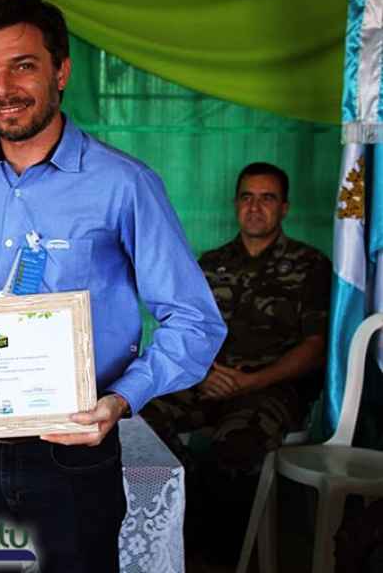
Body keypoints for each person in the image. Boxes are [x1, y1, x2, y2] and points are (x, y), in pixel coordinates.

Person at [0, 0, 226, 573]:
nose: (3, 88)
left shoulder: (124, 184)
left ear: (61, 71)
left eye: (23, 66)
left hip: (74, 453)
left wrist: (121, 398)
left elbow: (195, 319)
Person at [141, 162, 332, 564]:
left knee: (235, 448)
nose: (255, 207)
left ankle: (218, 558)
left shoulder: (310, 265)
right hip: (206, 380)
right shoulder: (211, 263)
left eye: (267, 198)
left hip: (271, 389)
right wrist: (204, 374)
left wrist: (251, 382)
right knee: (142, 421)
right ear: (235, 204)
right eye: (247, 197)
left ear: (284, 208)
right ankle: (174, 538)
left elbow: (315, 348)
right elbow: (185, 330)